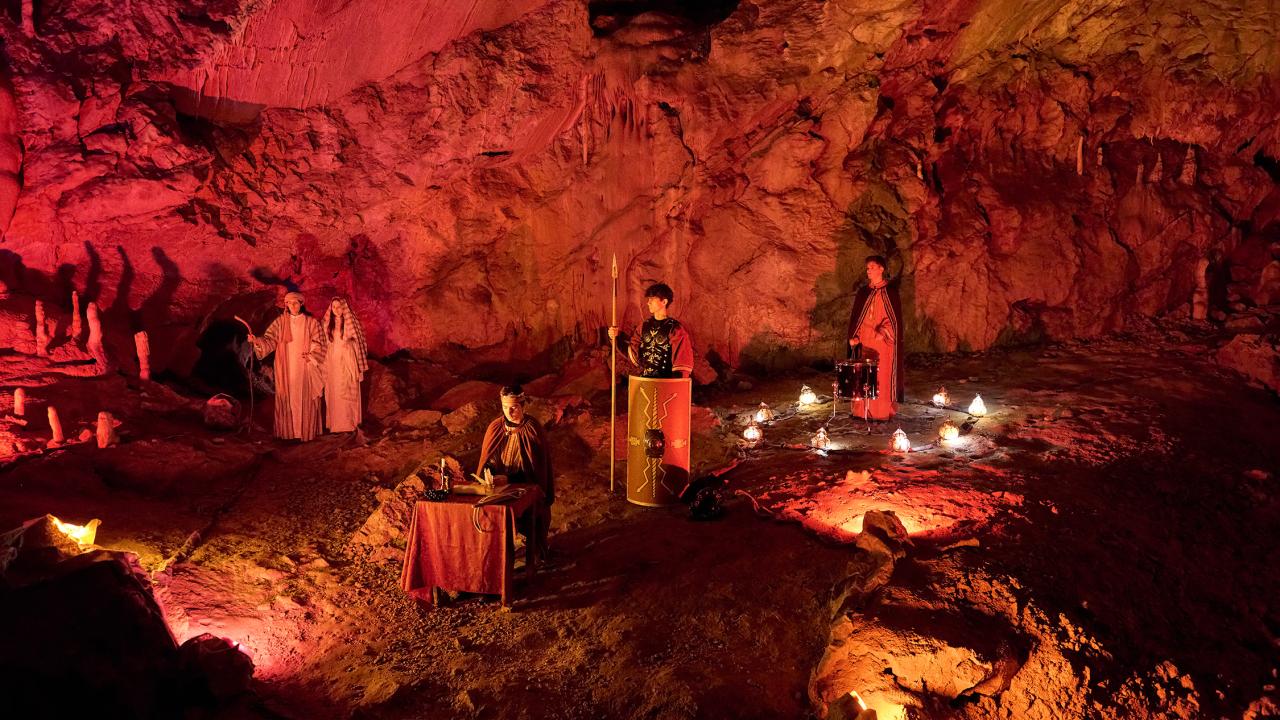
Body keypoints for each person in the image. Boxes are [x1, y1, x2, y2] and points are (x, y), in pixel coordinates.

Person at [476, 386, 554, 557]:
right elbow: (487, 460)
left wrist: (509, 478)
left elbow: (537, 472)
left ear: (522, 406)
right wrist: (490, 475)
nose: (509, 412)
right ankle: (494, 555)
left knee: (524, 514)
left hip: (523, 489)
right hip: (496, 489)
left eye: (514, 407)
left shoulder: (532, 429)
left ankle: (528, 551)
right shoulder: (495, 427)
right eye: (505, 407)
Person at [250, 291, 326, 441]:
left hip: (305, 366)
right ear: (286, 305)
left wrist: (311, 355)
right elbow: (269, 340)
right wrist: (257, 341)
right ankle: (288, 433)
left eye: (295, 303)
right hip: (286, 367)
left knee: (305, 396)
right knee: (288, 396)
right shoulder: (280, 322)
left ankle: (305, 432)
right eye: (289, 303)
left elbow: (320, 343)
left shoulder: (311, 322)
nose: (292, 306)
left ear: (301, 304)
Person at [846, 255, 904, 420]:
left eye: (872, 267)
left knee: (880, 377)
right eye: (867, 268)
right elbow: (857, 319)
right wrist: (854, 336)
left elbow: (894, 321)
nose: (868, 270)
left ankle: (880, 412)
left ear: (881, 269)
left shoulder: (890, 292)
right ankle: (861, 411)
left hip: (882, 344)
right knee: (862, 376)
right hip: (865, 341)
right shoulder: (864, 292)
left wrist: (883, 332)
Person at [607, 282, 694, 378]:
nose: (648, 303)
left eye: (652, 299)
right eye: (648, 299)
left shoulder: (676, 329)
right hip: (646, 381)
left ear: (664, 302)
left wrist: (676, 384)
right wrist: (616, 337)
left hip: (667, 383)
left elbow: (682, 362)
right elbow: (633, 353)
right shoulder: (644, 326)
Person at [321, 297, 368, 433]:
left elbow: (359, 341)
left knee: (346, 391)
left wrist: (350, 344)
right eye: (334, 307)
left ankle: (349, 423)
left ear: (343, 308)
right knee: (334, 392)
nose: (336, 310)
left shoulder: (350, 323)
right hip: (332, 363)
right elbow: (322, 341)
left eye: (339, 307)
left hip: (347, 363)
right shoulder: (326, 324)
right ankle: (336, 425)